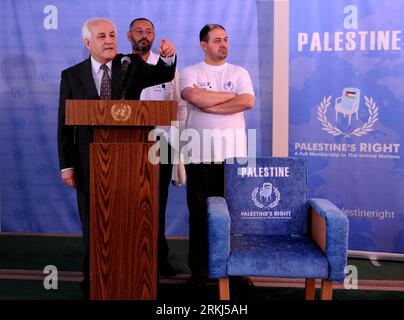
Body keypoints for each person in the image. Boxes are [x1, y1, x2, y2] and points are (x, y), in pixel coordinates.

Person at [57, 17, 177, 299]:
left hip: (133, 161)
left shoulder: (130, 64)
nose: (110, 40)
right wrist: (67, 165)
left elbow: (163, 74)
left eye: (112, 35)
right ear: (88, 42)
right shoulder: (71, 75)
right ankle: (94, 283)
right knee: (94, 226)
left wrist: (170, 57)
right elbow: (64, 125)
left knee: (135, 224)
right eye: (102, 36)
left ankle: (136, 281)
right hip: (89, 162)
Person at [180, 24, 255, 287]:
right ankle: (200, 271)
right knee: (200, 215)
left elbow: (247, 102)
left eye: (225, 40)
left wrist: (210, 103)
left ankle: (233, 269)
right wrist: (228, 98)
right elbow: (193, 97)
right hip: (199, 155)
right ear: (203, 45)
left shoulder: (240, 72)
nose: (223, 45)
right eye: (216, 40)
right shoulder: (190, 72)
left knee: (233, 215)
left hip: (233, 157)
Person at [127, 17, 187, 277]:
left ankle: (158, 259)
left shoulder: (167, 66)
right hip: (128, 141)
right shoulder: (121, 66)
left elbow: (179, 105)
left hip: (163, 140)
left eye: (149, 31)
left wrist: (179, 143)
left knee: (156, 203)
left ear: (154, 36)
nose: (144, 35)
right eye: (139, 31)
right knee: (129, 200)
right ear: (129, 35)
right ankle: (128, 255)